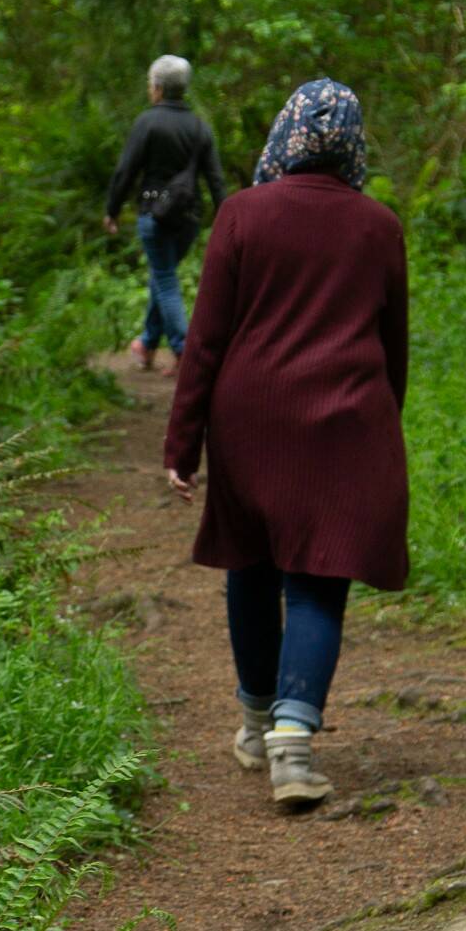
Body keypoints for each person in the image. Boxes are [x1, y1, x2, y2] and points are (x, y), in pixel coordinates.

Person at [163, 78, 408, 810]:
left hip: (250, 419)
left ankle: (254, 721)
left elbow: (205, 339)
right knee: (316, 580)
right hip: (344, 421)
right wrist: (380, 426)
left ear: (285, 134)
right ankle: (291, 749)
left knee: (250, 565)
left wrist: (182, 443)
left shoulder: (242, 214)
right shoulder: (378, 225)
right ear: (351, 143)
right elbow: (391, 344)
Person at [104, 55, 226, 370]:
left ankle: (186, 352)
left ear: (157, 88)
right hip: (189, 218)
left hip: (154, 214)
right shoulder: (200, 127)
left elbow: (125, 171)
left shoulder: (148, 122)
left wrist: (112, 210)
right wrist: (226, 217)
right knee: (164, 274)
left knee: (165, 278)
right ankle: (146, 344)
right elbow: (215, 179)